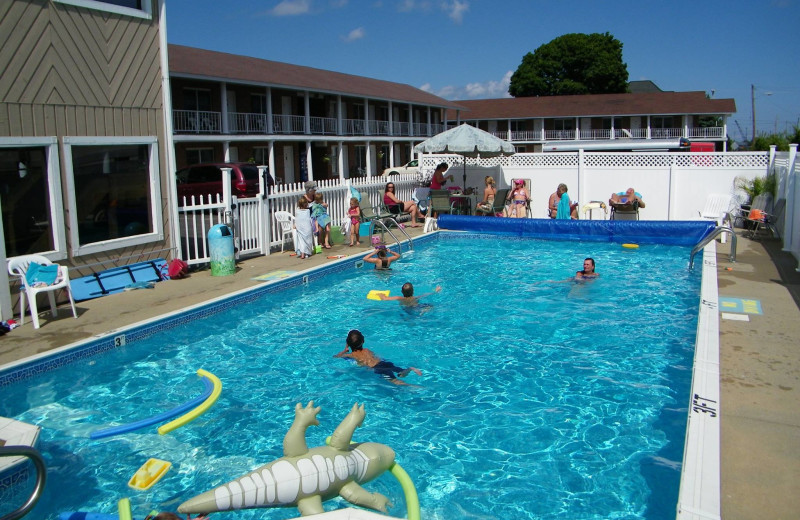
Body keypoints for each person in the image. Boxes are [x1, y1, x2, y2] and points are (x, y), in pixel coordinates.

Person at [334, 329, 422, 385]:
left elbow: (336, 356)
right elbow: (376, 356)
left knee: (395, 381)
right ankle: (409, 369)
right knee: (400, 372)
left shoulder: (351, 355)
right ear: (363, 341)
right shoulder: (367, 350)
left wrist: (345, 350)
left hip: (378, 369)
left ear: (348, 344)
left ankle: (413, 387)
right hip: (384, 363)